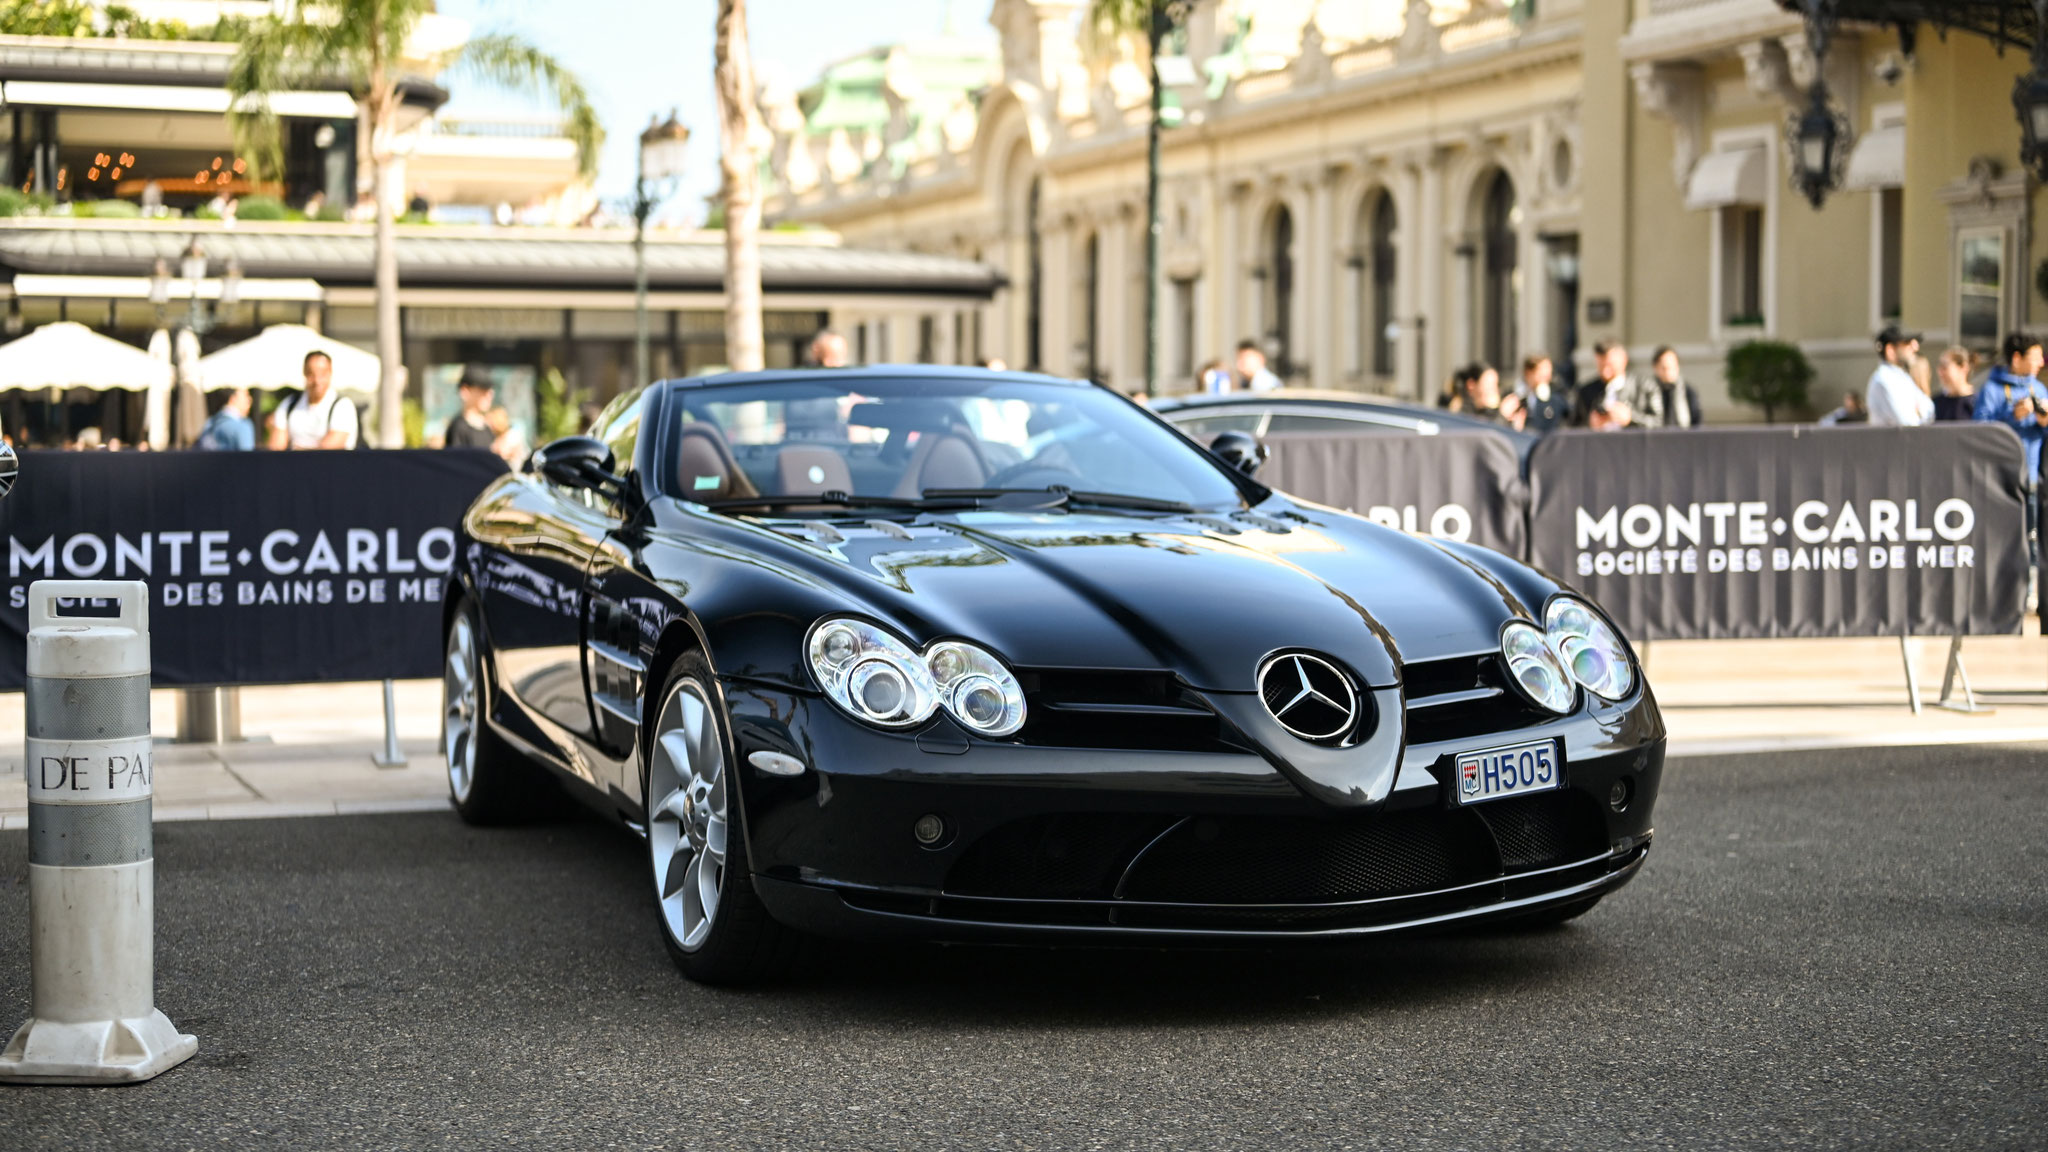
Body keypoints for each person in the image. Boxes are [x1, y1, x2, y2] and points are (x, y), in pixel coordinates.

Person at [1973, 330, 2048, 474]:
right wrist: (2013, 417)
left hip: (2033, 473)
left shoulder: (2038, 388)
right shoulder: (1991, 389)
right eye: (2036, 358)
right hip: (2000, 475)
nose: (2041, 363)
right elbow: (1979, 431)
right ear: (2017, 358)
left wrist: (2044, 422)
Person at [268, 350, 359, 449]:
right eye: (311, 373)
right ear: (304, 373)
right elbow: (276, 447)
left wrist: (297, 451)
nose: (317, 380)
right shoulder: (289, 403)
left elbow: (330, 450)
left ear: (330, 373)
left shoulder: (343, 406)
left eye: (322, 374)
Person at [1573, 341, 1654, 427]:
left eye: (1609, 365)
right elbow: (1573, 426)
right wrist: (1590, 423)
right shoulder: (1585, 391)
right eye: (1601, 365)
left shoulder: (1645, 386)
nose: (1605, 371)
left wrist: (1631, 418)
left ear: (1624, 360)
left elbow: (1658, 424)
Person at [1866, 324, 1933, 427]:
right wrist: (1916, 412)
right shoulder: (1884, 379)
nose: (1915, 347)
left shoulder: (1902, 377)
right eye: (1907, 343)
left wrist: (1917, 412)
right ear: (1890, 350)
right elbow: (1907, 423)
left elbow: (1930, 412)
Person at [443, 366, 500, 450]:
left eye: (490, 391)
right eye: (483, 390)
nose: (489, 395)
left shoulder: (487, 427)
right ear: (465, 391)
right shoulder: (459, 428)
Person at [1648, 346, 1703, 428]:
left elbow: (1696, 421)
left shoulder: (1688, 391)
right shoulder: (1648, 391)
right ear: (1655, 367)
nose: (1669, 371)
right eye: (1664, 368)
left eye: (1673, 366)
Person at [1516, 353, 1571, 434]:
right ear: (1529, 373)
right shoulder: (1517, 397)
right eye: (1541, 374)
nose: (1547, 378)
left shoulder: (1557, 398)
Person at [1933, 346, 1978, 422]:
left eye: (1945, 367)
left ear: (1963, 367)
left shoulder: (1977, 402)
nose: (1940, 372)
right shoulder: (1937, 403)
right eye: (1939, 367)